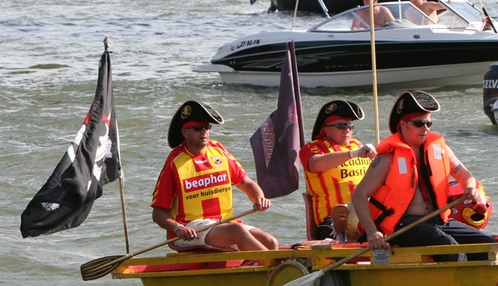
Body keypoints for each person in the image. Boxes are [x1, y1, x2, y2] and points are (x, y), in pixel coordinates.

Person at [351, 91, 497, 261]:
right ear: (403, 124)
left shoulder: (439, 148)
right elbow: (359, 195)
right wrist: (372, 232)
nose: (425, 129)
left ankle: (483, 284)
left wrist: (470, 187)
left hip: (438, 220)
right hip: (403, 226)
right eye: (419, 123)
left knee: (488, 246)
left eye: (429, 123)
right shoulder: (387, 158)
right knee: (450, 248)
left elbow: (464, 173)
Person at [151, 100, 276, 253]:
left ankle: (265, 270)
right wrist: (178, 229)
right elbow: (158, 213)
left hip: (222, 224)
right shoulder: (174, 163)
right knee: (237, 231)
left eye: (206, 127)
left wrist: (259, 198)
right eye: (197, 128)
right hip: (190, 227)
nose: (203, 132)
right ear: (185, 132)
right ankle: (278, 269)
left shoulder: (219, 151)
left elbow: (245, 182)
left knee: (271, 242)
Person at [300, 100, 376, 239]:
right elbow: (315, 164)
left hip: (364, 215)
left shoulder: (358, 145)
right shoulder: (314, 148)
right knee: (341, 224)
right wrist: (353, 154)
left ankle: (355, 228)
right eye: (341, 125)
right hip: (329, 219)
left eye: (350, 126)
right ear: (326, 129)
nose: (347, 130)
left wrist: (377, 159)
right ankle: (345, 227)